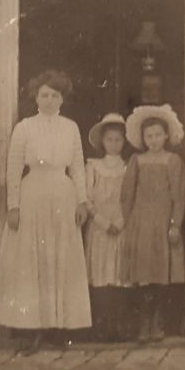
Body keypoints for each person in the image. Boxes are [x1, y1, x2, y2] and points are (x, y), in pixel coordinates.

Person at [0, 70, 92, 353]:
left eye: (54, 95)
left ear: (62, 99)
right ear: (36, 97)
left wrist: (82, 200)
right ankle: (32, 329)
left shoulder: (70, 127)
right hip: (33, 195)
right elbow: (13, 169)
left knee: (59, 258)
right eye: (44, 95)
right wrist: (14, 206)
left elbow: (79, 167)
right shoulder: (24, 128)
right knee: (32, 262)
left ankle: (57, 329)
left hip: (62, 195)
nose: (49, 100)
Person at [118, 104, 185, 341]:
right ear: (143, 138)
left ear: (166, 135)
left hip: (163, 222)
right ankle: (143, 324)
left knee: (161, 274)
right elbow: (127, 194)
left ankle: (159, 322)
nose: (154, 140)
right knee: (144, 274)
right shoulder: (137, 160)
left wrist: (175, 224)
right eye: (149, 136)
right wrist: (127, 223)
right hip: (142, 223)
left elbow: (178, 194)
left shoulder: (173, 160)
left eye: (158, 135)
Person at [82, 113, 130, 340]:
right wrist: (101, 221)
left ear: (124, 141)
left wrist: (120, 223)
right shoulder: (93, 167)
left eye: (118, 139)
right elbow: (86, 198)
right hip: (99, 228)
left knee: (119, 273)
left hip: (121, 227)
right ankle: (100, 325)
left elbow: (131, 199)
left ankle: (118, 325)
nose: (114, 144)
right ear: (103, 141)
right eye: (110, 139)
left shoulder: (129, 167)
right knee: (100, 274)